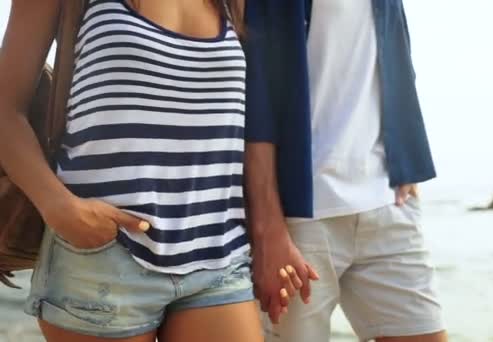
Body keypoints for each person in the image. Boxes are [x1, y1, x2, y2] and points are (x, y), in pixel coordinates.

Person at [0, 0, 297, 340]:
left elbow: (252, 124)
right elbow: (7, 110)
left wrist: (269, 231)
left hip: (218, 255)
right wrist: (59, 208)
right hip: (103, 255)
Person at [244, 1, 448, 341]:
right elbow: (256, 96)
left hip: (388, 204)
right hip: (299, 221)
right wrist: (268, 229)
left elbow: (395, 53)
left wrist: (406, 158)